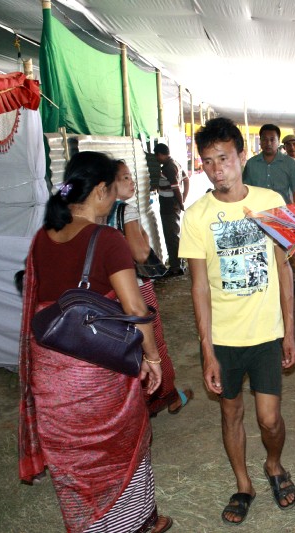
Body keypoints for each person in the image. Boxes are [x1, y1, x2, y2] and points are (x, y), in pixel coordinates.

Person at [18, 151, 173, 533]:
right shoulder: (107, 239)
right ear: (101, 190)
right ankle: (130, 524)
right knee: (119, 449)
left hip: (51, 378)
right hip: (98, 373)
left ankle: (90, 525)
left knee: (73, 458)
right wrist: (153, 358)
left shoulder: (41, 238)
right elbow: (135, 308)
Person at [179, 117, 295, 526]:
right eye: (208, 162)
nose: (217, 170)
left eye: (224, 159)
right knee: (230, 413)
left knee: (269, 418)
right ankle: (243, 484)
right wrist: (207, 350)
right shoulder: (196, 216)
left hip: (266, 333)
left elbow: (283, 268)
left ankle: (273, 463)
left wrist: (289, 330)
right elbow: (199, 287)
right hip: (223, 337)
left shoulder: (271, 202)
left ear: (241, 156)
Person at [108, 160, 193, 416]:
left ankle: (139, 403)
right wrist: (144, 238)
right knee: (153, 342)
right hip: (134, 286)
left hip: (109, 292)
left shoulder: (94, 213)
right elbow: (140, 252)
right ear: (109, 183)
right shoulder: (125, 210)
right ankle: (167, 395)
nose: (132, 181)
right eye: (125, 177)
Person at [243, 124, 295, 292]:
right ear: (260, 142)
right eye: (264, 139)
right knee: (261, 249)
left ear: (278, 142)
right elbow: (245, 190)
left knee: (286, 250)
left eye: (272, 139)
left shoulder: (288, 163)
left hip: (283, 215)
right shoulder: (251, 164)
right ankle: (262, 282)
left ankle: (294, 280)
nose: (268, 143)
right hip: (258, 216)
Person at [154, 143, 188, 276]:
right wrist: (182, 199)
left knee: (171, 235)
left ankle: (175, 266)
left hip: (169, 205)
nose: (157, 159)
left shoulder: (168, 167)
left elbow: (175, 187)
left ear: (160, 154)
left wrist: (181, 202)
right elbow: (186, 180)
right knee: (174, 234)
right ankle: (179, 263)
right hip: (173, 204)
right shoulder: (175, 164)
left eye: (157, 156)